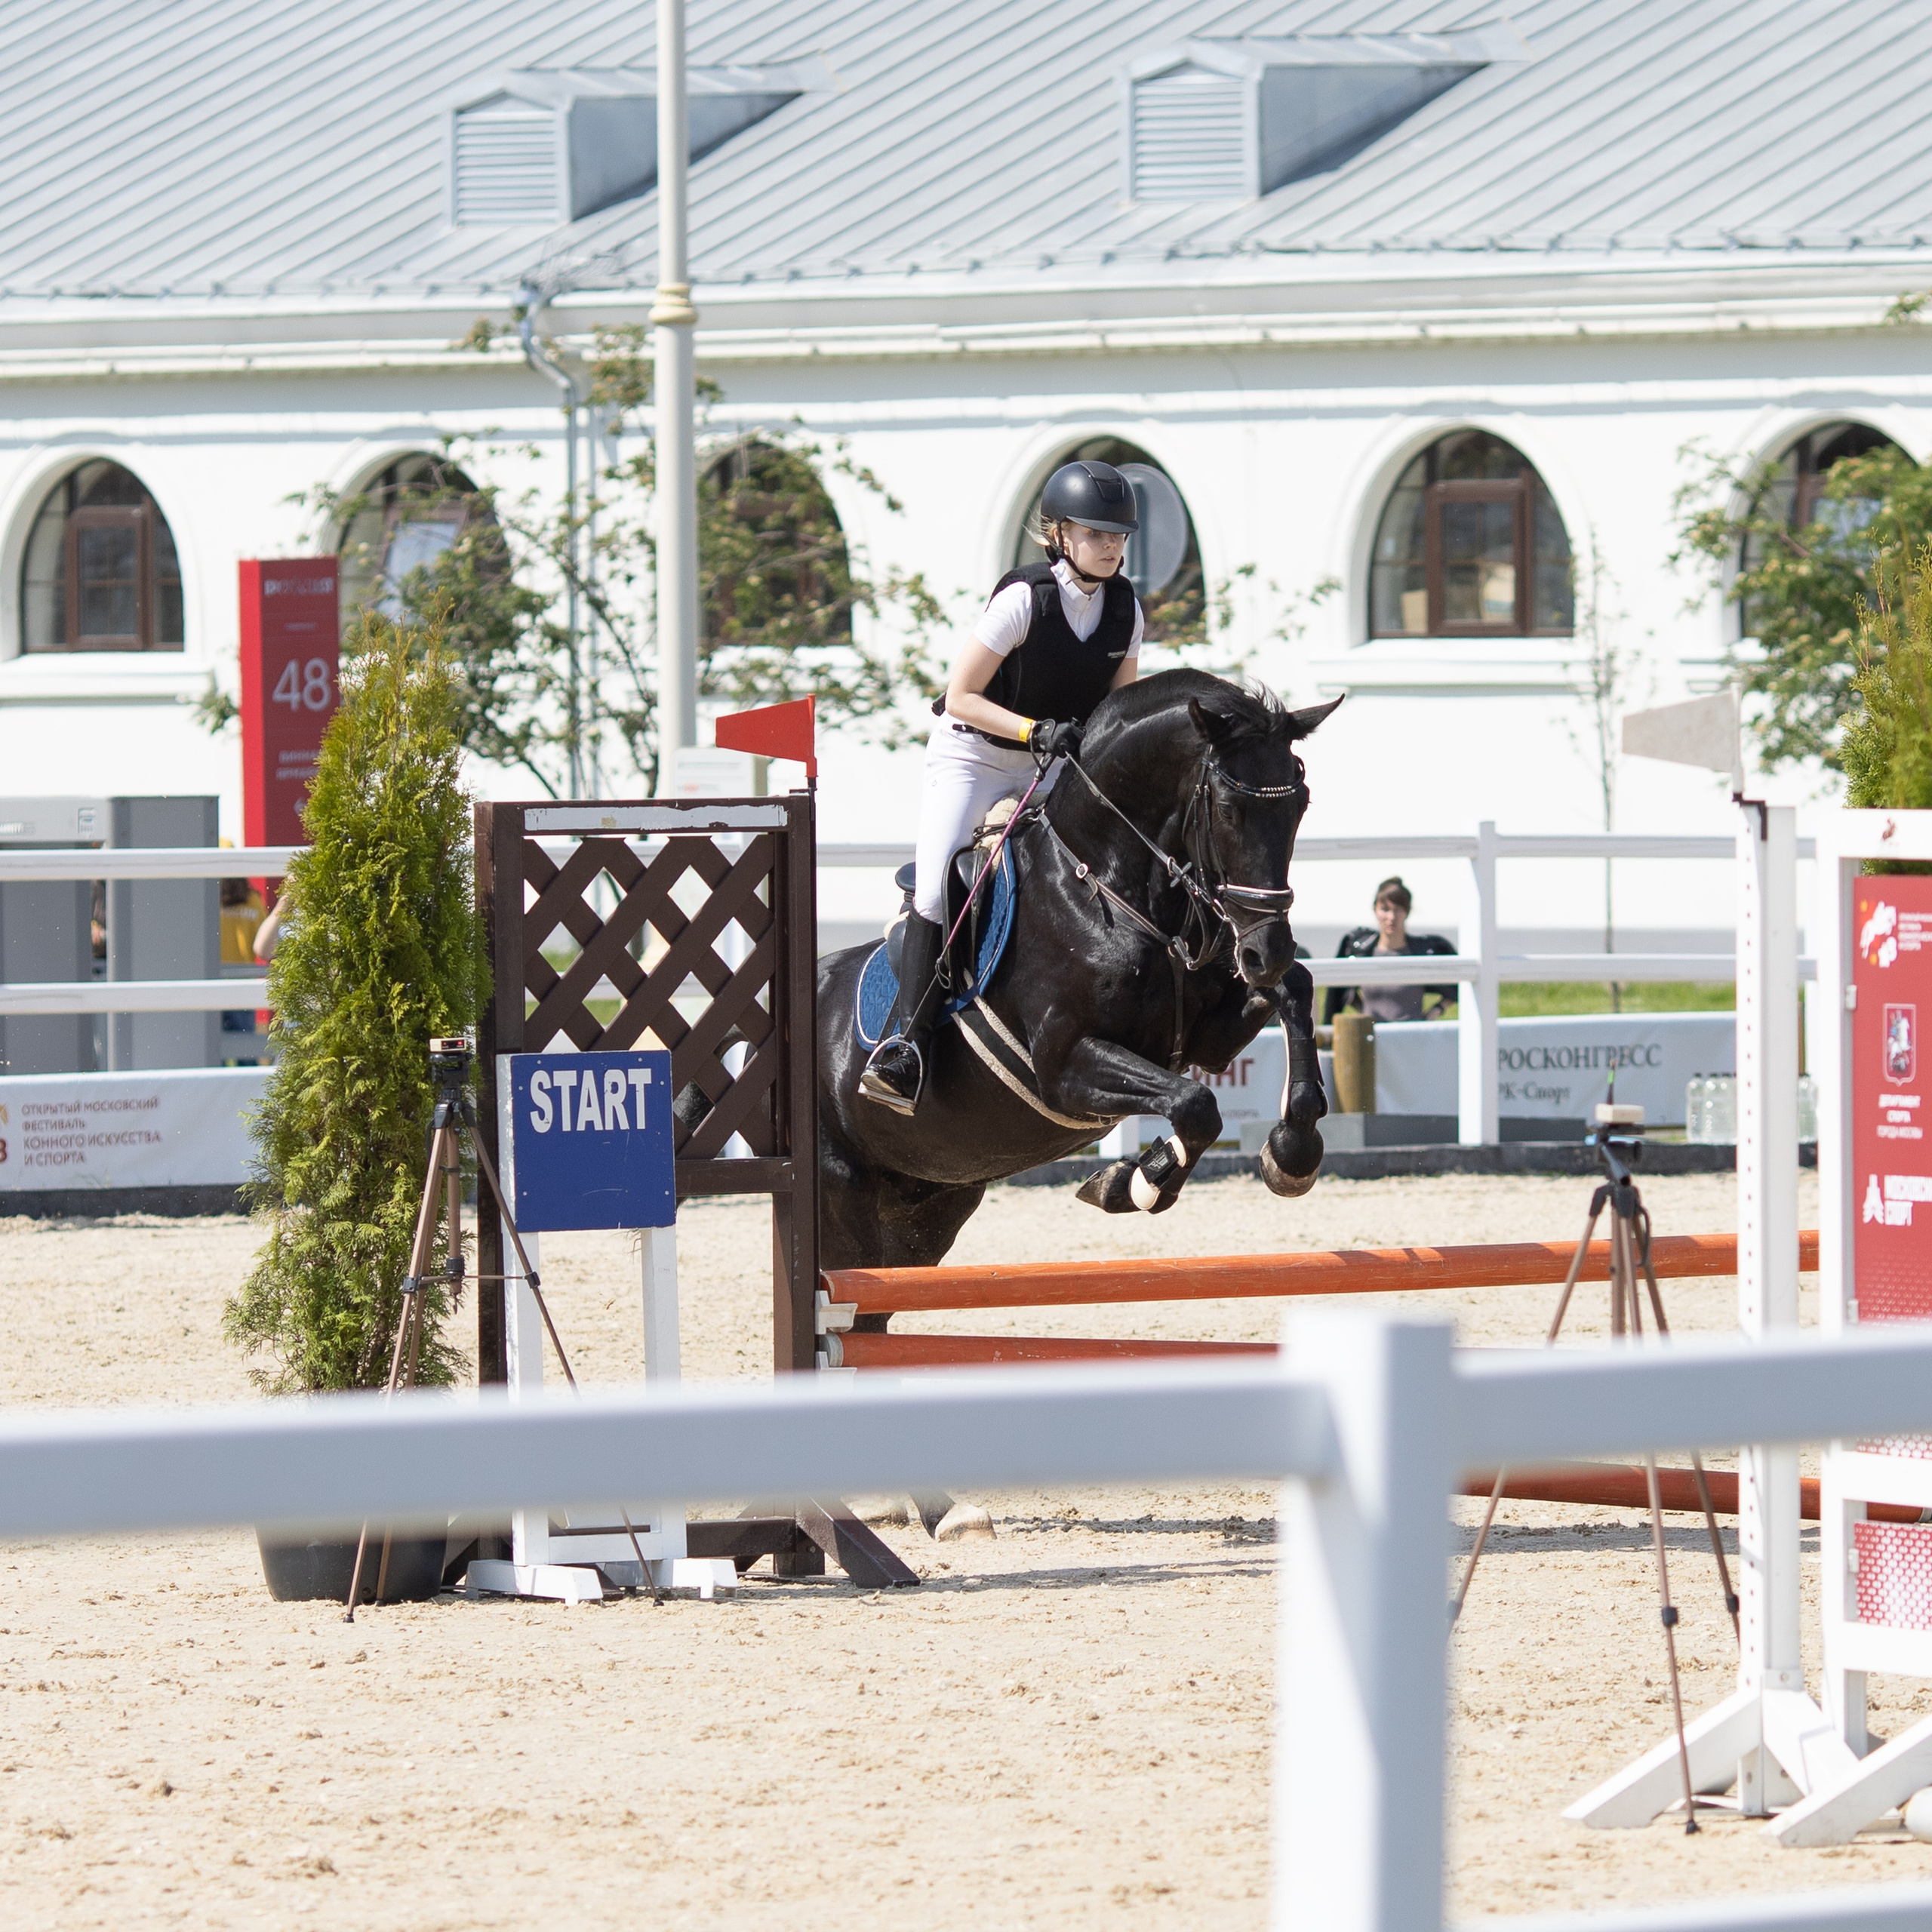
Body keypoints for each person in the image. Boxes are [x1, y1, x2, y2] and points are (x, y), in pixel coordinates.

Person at [858, 458, 1146, 1113]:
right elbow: (960, 695)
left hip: (1051, 765)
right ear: (1060, 534)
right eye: (1096, 534)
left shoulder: (1125, 610)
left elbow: (1117, 709)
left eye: (1119, 536)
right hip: (974, 757)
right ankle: (907, 1048)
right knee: (939, 888)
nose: (1111, 546)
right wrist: (1033, 731)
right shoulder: (1023, 599)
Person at [1323, 875, 1457, 1025]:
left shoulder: (1420, 953)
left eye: (1398, 910)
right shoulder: (1362, 953)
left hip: (1412, 1035)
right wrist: (1363, 1013)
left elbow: (1458, 986)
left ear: (1407, 912)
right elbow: (1340, 991)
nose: (1391, 917)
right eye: (1385, 909)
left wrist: (1434, 1012)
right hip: (1372, 1036)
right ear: (1375, 910)